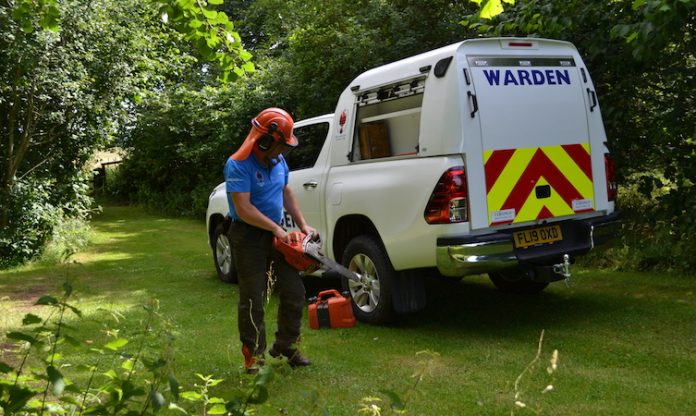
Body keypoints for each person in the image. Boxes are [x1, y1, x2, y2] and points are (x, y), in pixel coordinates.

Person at [224, 107, 316, 373]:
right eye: (281, 145)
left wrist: (303, 224)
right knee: (253, 298)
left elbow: (286, 192)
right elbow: (244, 208)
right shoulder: (238, 165)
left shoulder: (278, 162)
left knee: (294, 292)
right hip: (247, 236)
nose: (284, 151)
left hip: (277, 234)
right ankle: (254, 356)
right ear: (265, 140)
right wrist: (276, 229)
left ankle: (285, 345)